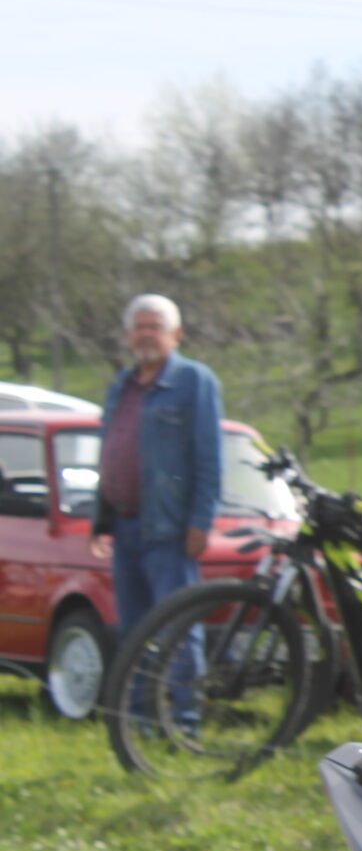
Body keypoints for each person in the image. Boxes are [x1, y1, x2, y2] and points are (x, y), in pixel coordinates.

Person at [89, 294, 223, 728]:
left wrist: (200, 522)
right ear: (128, 335)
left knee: (179, 627)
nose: (146, 335)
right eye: (139, 327)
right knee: (134, 631)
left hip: (169, 530)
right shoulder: (121, 385)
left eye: (155, 327)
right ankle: (140, 721)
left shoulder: (194, 381)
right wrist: (101, 519)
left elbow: (209, 458)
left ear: (175, 335)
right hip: (126, 526)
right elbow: (109, 452)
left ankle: (185, 720)